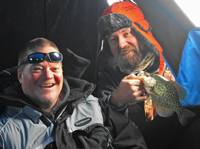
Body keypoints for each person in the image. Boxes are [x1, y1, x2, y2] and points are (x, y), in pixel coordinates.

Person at [0, 38, 147, 149]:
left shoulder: (94, 105)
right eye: (37, 69)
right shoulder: (5, 132)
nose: (48, 76)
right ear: (20, 76)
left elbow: (131, 140)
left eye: (55, 69)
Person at [96, 1, 175, 133]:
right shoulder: (110, 77)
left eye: (126, 33)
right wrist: (116, 100)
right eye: (113, 39)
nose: (121, 44)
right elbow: (99, 122)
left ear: (141, 33)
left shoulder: (173, 62)